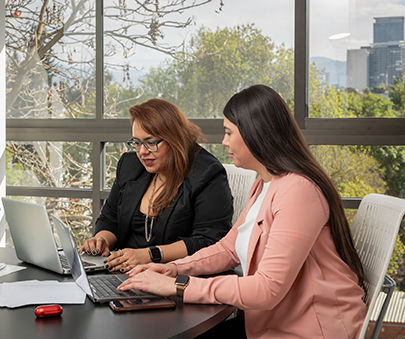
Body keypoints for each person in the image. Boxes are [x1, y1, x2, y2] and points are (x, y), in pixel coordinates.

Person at [118, 85, 367, 338]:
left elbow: (266, 289)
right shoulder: (264, 183)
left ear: (255, 133)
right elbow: (228, 249)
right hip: (266, 322)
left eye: (229, 132)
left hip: (310, 329)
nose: (224, 141)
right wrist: (173, 269)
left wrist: (177, 286)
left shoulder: (298, 192)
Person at [80, 98, 233, 272]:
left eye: (151, 142)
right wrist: (101, 240)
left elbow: (209, 241)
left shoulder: (207, 173)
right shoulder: (130, 165)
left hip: (172, 277)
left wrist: (150, 255)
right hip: (122, 272)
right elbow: (110, 219)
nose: (143, 152)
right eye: (137, 143)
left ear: (174, 138)